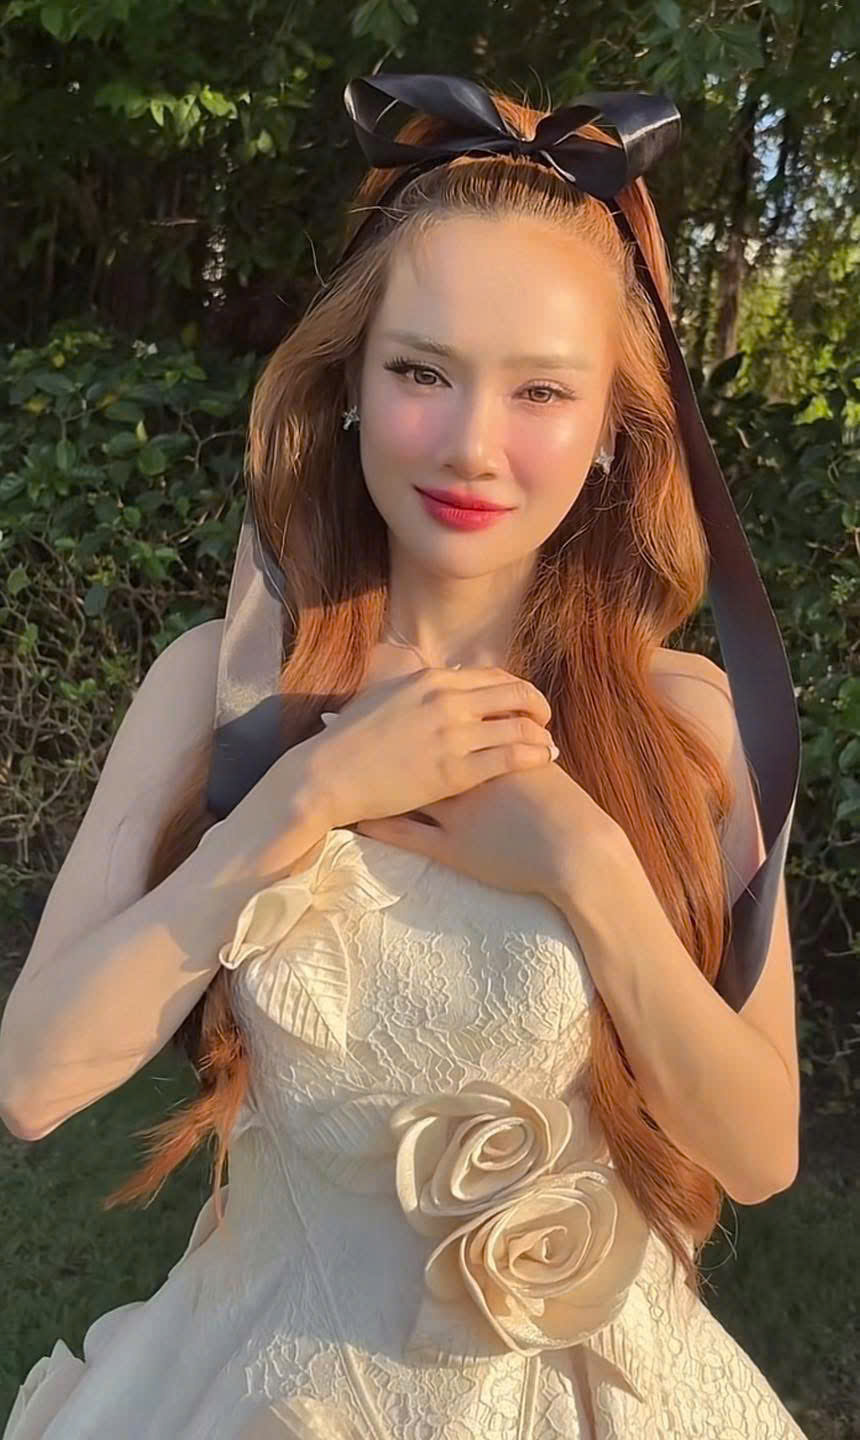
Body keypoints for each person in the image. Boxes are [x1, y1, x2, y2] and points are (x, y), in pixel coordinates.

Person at [0, 73, 808, 1440]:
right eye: (422, 372)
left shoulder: (689, 725)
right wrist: (303, 800)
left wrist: (586, 867)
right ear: (350, 387)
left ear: (613, 428)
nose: (472, 446)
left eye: (541, 389)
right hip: (273, 1386)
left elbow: (759, 1151)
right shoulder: (227, 689)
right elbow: (32, 1085)